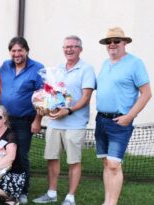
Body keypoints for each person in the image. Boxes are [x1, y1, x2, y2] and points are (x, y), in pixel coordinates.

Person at [33, 36, 96, 205]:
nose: (69, 50)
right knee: (52, 158)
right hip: (54, 122)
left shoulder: (86, 69)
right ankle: (51, 193)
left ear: (80, 49)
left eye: (74, 47)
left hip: (75, 124)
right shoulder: (57, 69)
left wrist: (67, 110)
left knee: (73, 161)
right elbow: (50, 92)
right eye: (67, 47)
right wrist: (43, 106)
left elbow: (86, 97)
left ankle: (70, 197)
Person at [95, 27, 151, 205]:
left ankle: (112, 203)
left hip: (120, 121)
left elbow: (146, 93)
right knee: (106, 163)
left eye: (116, 41)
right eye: (109, 41)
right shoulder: (105, 63)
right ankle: (107, 201)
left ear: (124, 42)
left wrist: (129, 117)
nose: (112, 44)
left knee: (114, 164)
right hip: (101, 119)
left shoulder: (135, 63)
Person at [0, 36, 43, 204]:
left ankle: (23, 191)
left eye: (20, 50)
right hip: (4, 121)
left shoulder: (37, 69)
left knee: (21, 156)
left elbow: (42, 98)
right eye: (13, 51)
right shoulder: (4, 66)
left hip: (25, 120)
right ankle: (5, 187)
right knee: (3, 154)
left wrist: (37, 120)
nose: (16, 54)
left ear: (26, 51)